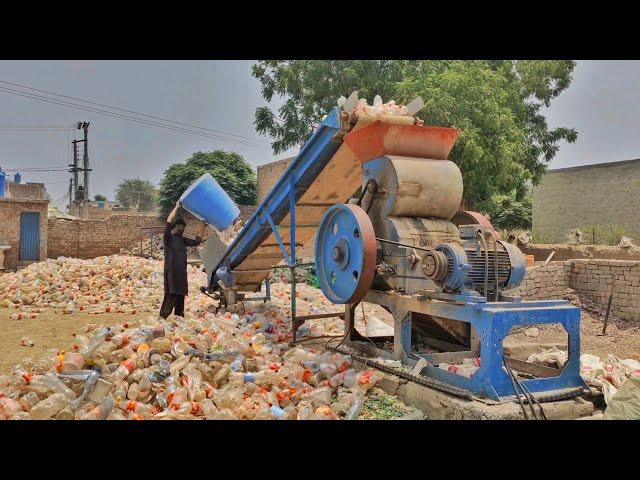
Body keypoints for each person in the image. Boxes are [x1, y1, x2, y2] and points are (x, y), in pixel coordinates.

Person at [159, 200, 207, 319]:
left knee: (180, 295)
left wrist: (203, 225)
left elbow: (196, 241)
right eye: (181, 227)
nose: (182, 229)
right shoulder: (168, 237)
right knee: (171, 294)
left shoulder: (182, 239)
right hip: (171, 273)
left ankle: (179, 318)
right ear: (176, 226)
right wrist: (176, 207)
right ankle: (162, 317)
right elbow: (169, 221)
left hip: (181, 274)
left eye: (183, 227)